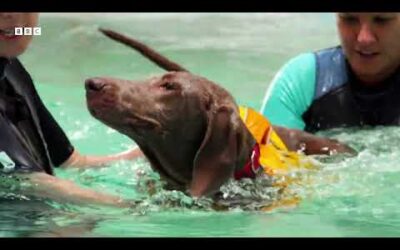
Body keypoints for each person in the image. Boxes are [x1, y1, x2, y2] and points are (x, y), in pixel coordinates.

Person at [0, 13, 142, 207]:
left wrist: (150, 152)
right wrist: (139, 207)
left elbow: (73, 162)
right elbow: (27, 183)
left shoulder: (11, 69)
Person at [260, 13, 400, 132]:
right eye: (349, 19)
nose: (364, 38)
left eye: (382, 20)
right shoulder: (302, 82)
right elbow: (263, 155)